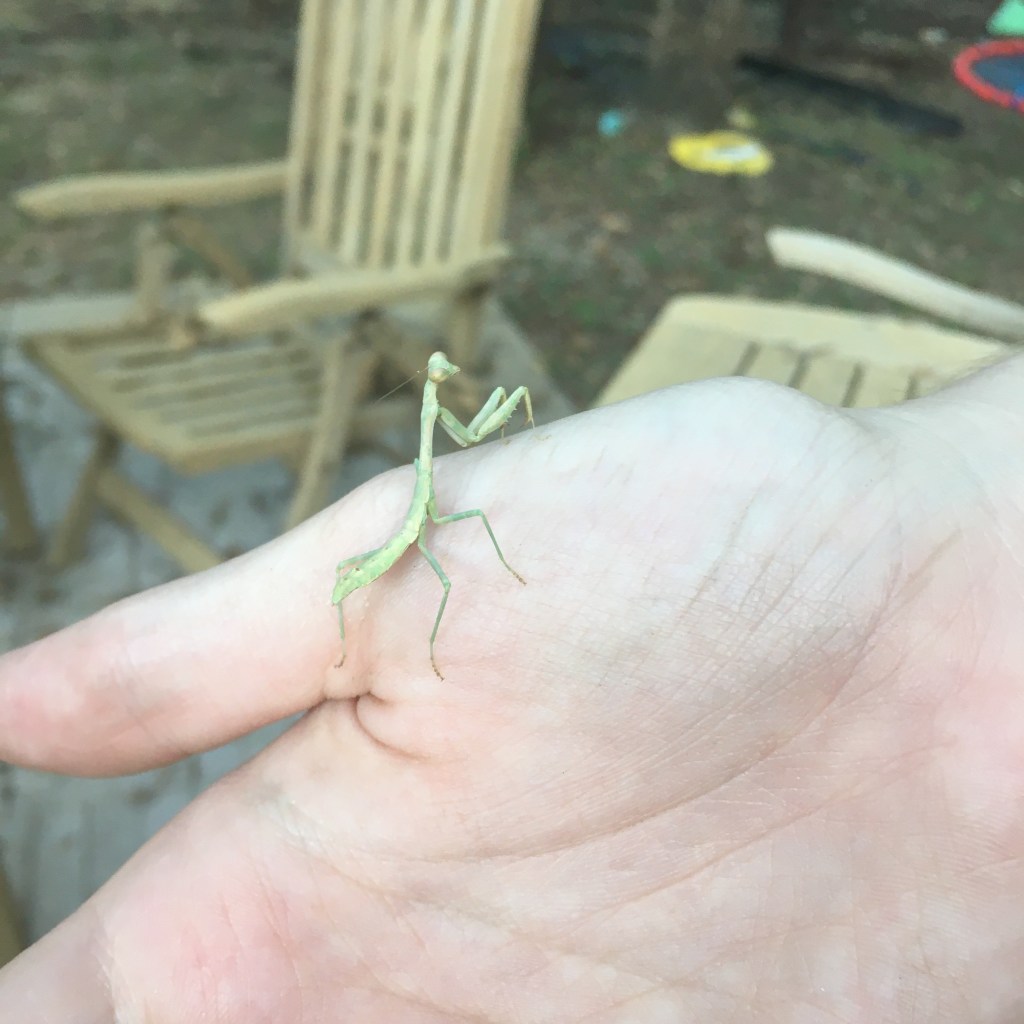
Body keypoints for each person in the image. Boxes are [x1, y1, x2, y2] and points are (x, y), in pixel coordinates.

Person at [1, 356, 1022, 1022]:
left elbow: (473, 447)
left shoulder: (445, 458)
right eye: (441, 379)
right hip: (397, 555)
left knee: (455, 543)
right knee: (425, 574)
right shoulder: (427, 485)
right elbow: (449, 495)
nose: (449, 380)